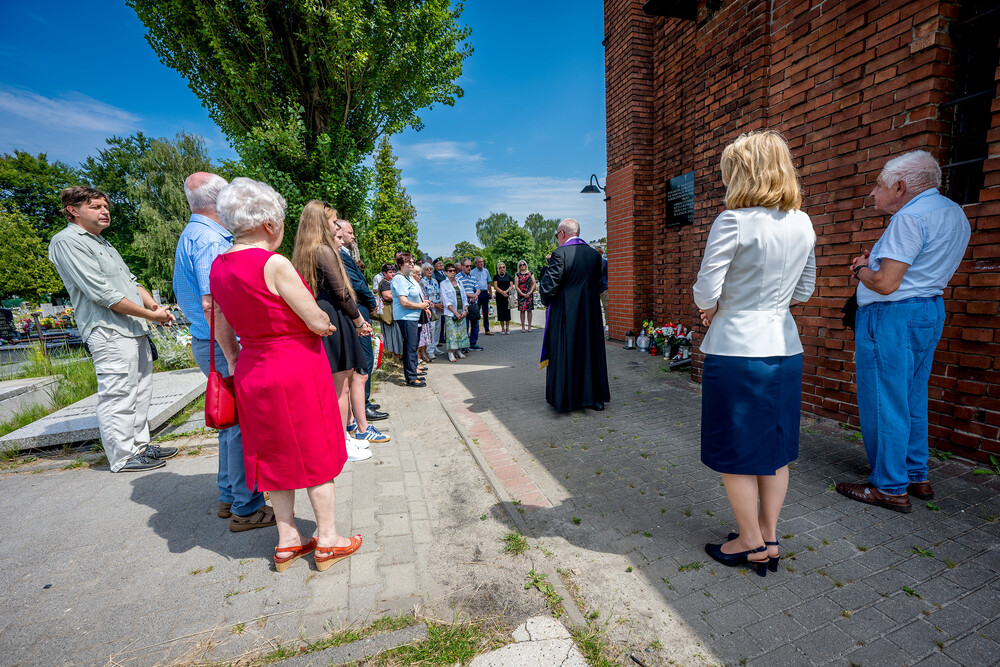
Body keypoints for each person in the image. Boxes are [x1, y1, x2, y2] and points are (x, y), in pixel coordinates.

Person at [209, 177, 361, 572]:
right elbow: (315, 318)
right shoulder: (274, 263)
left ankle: (288, 539)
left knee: (272, 454)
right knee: (315, 449)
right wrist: (326, 324)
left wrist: (233, 360)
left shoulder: (218, 266)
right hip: (295, 366)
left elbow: (220, 321)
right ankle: (328, 540)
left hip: (252, 368)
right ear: (269, 224)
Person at [692, 130, 816, 577]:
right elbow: (805, 289)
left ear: (743, 173)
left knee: (737, 448)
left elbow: (705, 289)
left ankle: (748, 542)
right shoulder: (802, 222)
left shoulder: (733, 221)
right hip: (784, 346)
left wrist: (715, 308)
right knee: (773, 447)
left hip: (737, 349)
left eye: (728, 171)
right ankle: (769, 537)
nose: (725, 179)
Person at [836, 150, 971, 513]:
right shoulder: (954, 212)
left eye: (878, 185)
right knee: (911, 397)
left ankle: (889, 486)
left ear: (900, 186)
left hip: (892, 315)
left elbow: (885, 283)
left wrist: (860, 268)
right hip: (928, 309)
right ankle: (915, 474)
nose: (873, 192)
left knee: (884, 400)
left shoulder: (909, 218)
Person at [48, 186, 176, 473]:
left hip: (132, 326)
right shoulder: (67, 241)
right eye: (95, 207)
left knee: (140, 391)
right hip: (108, 330)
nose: (104, 211)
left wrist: (155, 308)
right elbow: (100, 293)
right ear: (73, 210)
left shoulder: (103, 242)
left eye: (105, 206)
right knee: (118, 393)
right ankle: (122, 456)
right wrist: (150, 315)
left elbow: (131, 281)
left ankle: (140, 447)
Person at [173, 172, 272, 529]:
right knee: (242, 426)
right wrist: (232, 355)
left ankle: (230, 496)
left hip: (210, 342)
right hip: (222, 343)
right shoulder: (211, 240)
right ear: (220, 201)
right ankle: (247, 506)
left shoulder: (193, 234)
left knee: (231, 424)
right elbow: (211, 302)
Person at [291, 201, 387, 457]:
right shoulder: (324, 250)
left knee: (336, 385)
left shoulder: (306, 251)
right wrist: (358, 320)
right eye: (334, 221)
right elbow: (342, 292)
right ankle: (341, 441)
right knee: (340, 387)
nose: (337, 226)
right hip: (336, 314)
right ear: (322, 222)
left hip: (326, 313)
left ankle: (343, 437)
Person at [539, 219, 610, 413]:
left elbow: (548, 285)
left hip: (566, 313)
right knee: (590, 353)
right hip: (590, 313)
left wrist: (547, 300)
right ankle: (595, 399)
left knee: (566, 352)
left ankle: (567, 400)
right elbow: (598, 283)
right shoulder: (595, 256)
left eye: (557, 235)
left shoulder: (560, 253)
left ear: (562, 233)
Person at [337, 219, 388, 423]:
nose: (352, 236)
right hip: (357, 308)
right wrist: (371, 301)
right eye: (349, 232)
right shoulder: (340, 255)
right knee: (364, 358)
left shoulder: (345, 253)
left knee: (364, 358)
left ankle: (364, 400)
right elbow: (357, 284)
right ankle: (362, 406)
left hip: (360, 309)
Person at [391, 253, 432, 387]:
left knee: (413, 346)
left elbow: (416, 295)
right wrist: (421, 306)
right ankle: (411, 378)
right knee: (410, 347)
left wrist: (424, 304)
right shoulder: (399, 279)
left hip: (414, 316)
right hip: (406, 317)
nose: (412, 264)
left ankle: (413, 371)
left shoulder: (408, 277)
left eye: (413, 262)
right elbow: (404, 302)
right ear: (400, 264)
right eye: (408, 262)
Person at [439, 263, 470, 362]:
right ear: (446, 272)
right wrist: (455, 312)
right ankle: (450, 352)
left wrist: (465, 310)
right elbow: (445, 301)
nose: (453, 272)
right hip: (450, 313)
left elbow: (464, 297)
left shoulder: (459, 282)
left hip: (461, 310)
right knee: (451, 333)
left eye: (454, 270)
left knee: (460, 332)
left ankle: (458, 350)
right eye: (450, 271)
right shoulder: (443, 284)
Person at [376, 263, 402, 358]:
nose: (393, 274)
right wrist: (400, 296)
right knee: (391, 334)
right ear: (384, 273)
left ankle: (397, 353)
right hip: (388, 313)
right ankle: (393, 354)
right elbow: (387, 296)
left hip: (393, 311)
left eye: (394, 271)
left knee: (395, 333)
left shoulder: (391, 282)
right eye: (390, 272)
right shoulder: (384, 283)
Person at [418, 262, 443, 362]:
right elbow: (424, 296)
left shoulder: (434, 280)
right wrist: (435, 305)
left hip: (438, 307)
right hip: (430, 308)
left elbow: (439, 293)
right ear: (423, 271)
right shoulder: (422, 282)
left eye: (430, 269)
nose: (429, 271)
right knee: (431, 329)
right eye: (427, 269)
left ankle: (435, 346)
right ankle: (430, 350)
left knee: (437, 328)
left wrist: (441, 303)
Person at [457, 259, 482, 350]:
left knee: (475, 325)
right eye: (467, 266)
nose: (469, 268)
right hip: (464, 305)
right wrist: (472, 295)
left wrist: (476, 295)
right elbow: (460, 291)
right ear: (462, 266)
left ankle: (473, 343)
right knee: (465, 325)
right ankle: (464, 345)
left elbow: (478, 288)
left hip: (473, 304)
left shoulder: (472, 277)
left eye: (470, 266)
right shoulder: (458, 277)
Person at [471, 256, 493, 336]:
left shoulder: (486, 271)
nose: (481, 263)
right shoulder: (472, 272)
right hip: (476, 293)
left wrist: (490, 293)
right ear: (476, 264)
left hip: (484, 293)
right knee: (476, 312)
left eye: (482, 262)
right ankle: (475, 329)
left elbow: (489, 283)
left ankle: (487, 329)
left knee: (486, 311)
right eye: (479, 262)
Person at [515, 260, 536, 332]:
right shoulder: (517, 274)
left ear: (526, 265)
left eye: (523, 264)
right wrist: (522, 294)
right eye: (520, 265)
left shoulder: (530, 273)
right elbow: (516, 286)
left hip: (529, 293)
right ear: (519, 266)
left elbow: (534, 283)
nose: (522, 266)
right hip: (521, 294)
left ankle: (529, 326)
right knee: (522, 310)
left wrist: (530, 292)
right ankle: (523, 326)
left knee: (529, 310)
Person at [493, 262, 514, 334]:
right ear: (498, 269)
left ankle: (507, 328)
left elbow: (511, 286)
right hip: (499, 295)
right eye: (500, 267)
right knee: (500, 311)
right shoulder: (496, 277)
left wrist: (506, 291)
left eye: (503, 267)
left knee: (507, 311)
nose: (502, 269)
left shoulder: (508, 276)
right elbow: (495, 286)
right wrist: (502, 292)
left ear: (505, 268)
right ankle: (502, 328)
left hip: (507, 296)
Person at [596, 245, 609, 332]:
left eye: (599, 252)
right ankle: (598, 325)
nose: (598, 253)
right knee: (596, 308)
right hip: (595, 288)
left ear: (602, 253)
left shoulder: (605, 262)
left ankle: (608, 324)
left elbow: (608, 274)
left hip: (604, 287)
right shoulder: (591, 262)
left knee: (606, 306)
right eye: (597, 252)